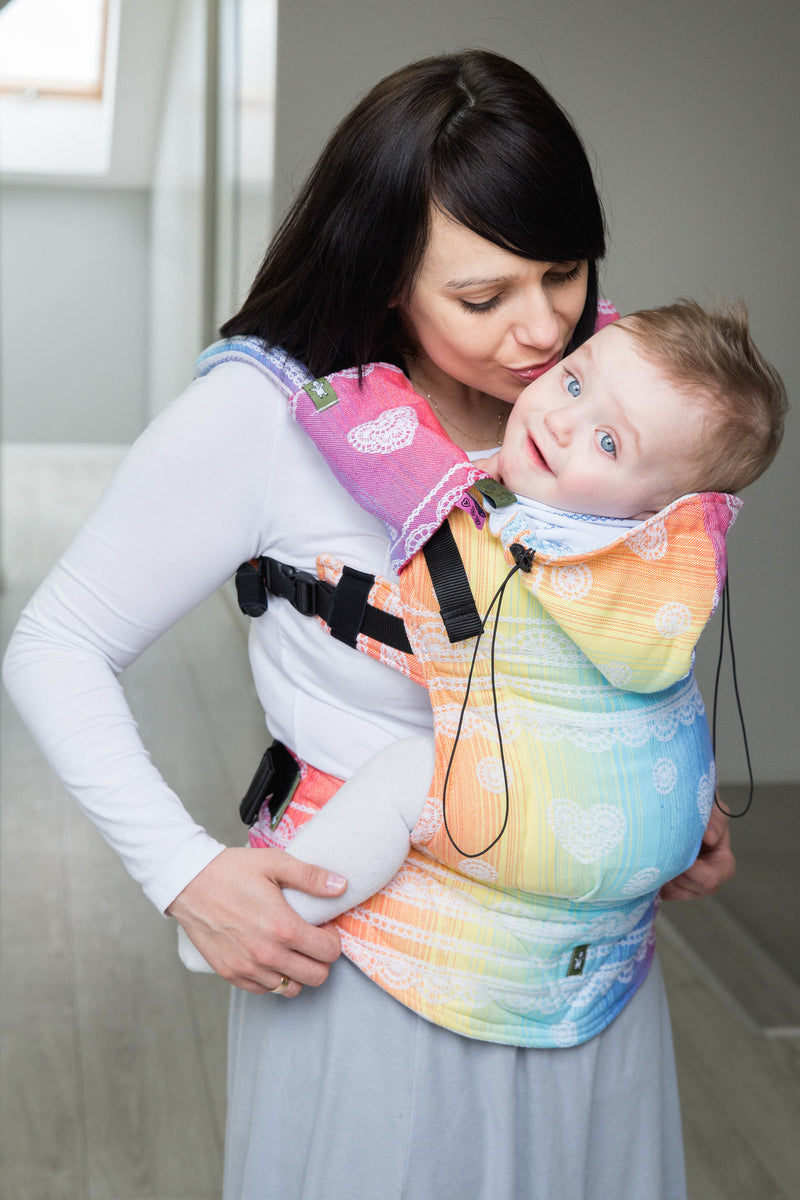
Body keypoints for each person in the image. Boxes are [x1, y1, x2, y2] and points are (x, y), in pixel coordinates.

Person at [2, 50, 740, 1199]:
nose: (540, 330)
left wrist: (657, 810)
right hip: (385, 980)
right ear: (384, 270)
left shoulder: (600, 399)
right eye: (481, 297)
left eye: (561, 272)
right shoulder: (269, 415)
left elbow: (623, 645)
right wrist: (183, 872)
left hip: (595, 986)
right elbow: (54, 643)